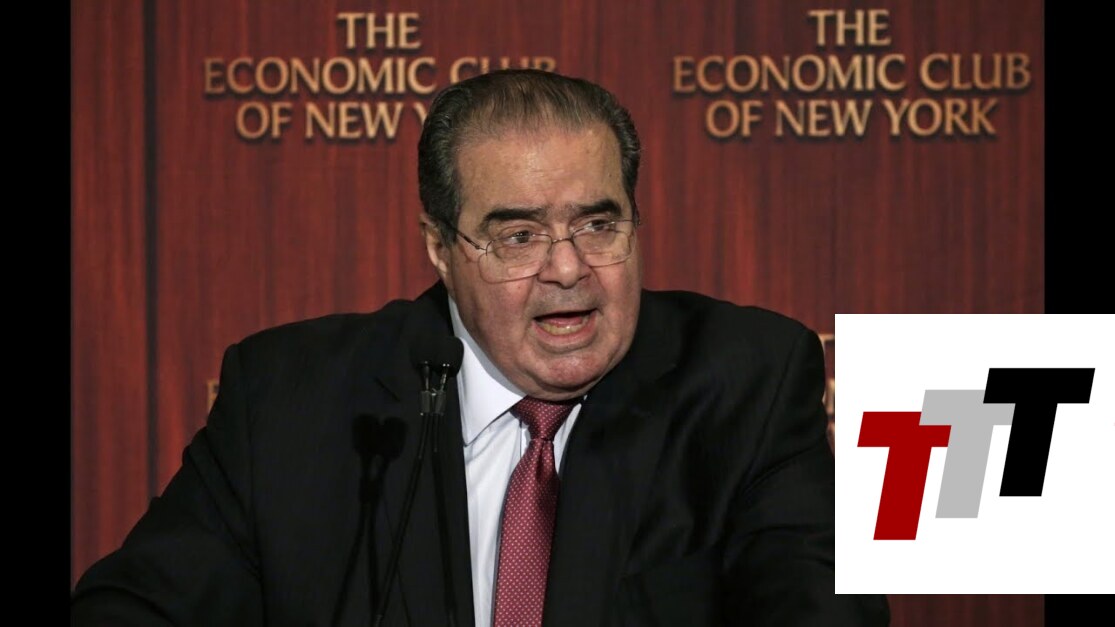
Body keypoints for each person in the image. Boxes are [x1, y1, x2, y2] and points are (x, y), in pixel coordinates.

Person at [72, 69, 889, 626]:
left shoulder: (746, 379)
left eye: (597, 224)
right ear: (440, 245)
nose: (567, 268)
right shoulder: (291, 400)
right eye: (519, 234)